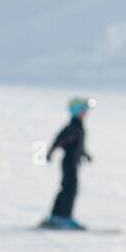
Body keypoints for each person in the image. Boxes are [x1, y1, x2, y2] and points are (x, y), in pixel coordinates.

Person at [40, 96, 95, 229]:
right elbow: (59, 140)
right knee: (69, 189)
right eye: (83, 110)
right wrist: (50, 152)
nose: (86, 113)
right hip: (69, 163)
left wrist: (84, 154)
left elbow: (77, 145)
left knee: (69, 188)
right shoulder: (73, 127)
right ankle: (62, 217)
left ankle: (58, 216)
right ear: (77, 111)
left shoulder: (78, 127)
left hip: (73, 162)